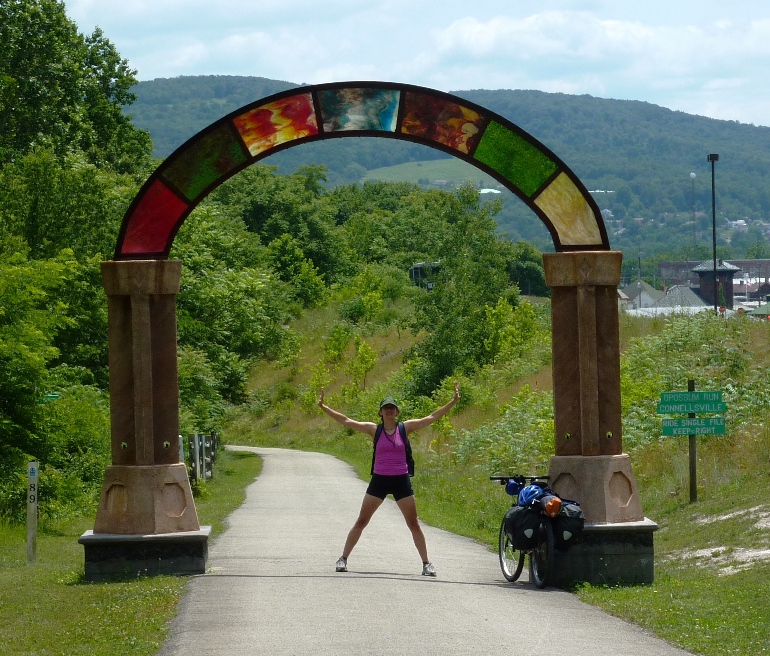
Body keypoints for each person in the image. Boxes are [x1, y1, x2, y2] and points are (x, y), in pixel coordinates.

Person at [317, 382, 460, 577]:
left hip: (401, 480)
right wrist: (324, 407)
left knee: (413, 523)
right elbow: (346, 421)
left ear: (397, 412)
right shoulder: (373, 430)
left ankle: (426, 563)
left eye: (392, 408)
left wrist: (453, 401)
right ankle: (343, 558)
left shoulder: (405, 428)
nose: (389, 411)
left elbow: (432, 417)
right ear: (381, 413)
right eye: (386, 408)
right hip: (380, 480)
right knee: (362, 521)